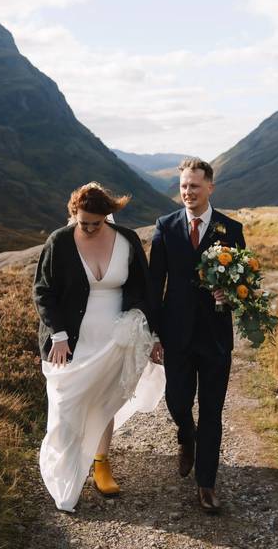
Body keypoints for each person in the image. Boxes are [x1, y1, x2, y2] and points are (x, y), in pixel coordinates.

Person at [34, 182, 166, 513]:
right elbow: (44, 291)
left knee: (104, 400)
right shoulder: (59, 242)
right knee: (66, 404)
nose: (91, 228)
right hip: (71, 340)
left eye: (97, 222)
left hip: (114, 338)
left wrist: (152, 334)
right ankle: (65, 468)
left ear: (108, 216)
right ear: (73, 214)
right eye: (84, 223)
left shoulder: (127, 240)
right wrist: (59, 334)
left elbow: (144, 288)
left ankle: (101, 462)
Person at [149, 157, 246, 514]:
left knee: (212, 412)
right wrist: (155, 334)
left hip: (215, 336)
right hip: (175, 334)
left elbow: (242, 282)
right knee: (177, 400)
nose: (187, 192)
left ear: (210, 187)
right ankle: (185, 435)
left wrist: (229, 293)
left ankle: (206, 484)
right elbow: (154, 284)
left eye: (194, 186)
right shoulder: (165, 226)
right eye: (183, 186)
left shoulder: (230, 229)